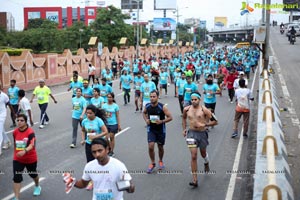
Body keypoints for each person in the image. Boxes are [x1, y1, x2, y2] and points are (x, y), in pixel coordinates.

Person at [64, 138, 135, 199]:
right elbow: (83, 183)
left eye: (100, 150)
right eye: (94, 152)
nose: (97, 154)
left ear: (107, 149)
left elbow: (131, 189)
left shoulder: (119, 166)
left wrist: (127, 186)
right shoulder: (89, 166)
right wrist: (72, 181)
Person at [182, 92, 218, 187]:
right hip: (191, 134)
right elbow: (184, 119)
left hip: (202, 134)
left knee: (203, 153)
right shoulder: (186, 109)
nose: (193, 101)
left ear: (199, 100)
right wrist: (184, 129)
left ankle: (206, 162)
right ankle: (195, 180)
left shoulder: (204, 110)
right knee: (193, 156)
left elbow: (215, 121)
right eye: (192, 99)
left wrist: (204, 125)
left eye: (195, 99)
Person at [12, 114, 41, 200]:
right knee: (17, 177)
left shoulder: (30, 132)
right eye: (18, 120)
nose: (19, 122)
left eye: (21, 120)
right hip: (18, 158)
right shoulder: (15, 132)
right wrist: (16, 153)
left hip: (30, 158)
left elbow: (32, 145)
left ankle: (37, 186)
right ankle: (16, 197)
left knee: (32, 174)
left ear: (25, 121)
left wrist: (24, 151)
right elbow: (15, 144)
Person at [142, 90, 173, 173]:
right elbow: (144, 113)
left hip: (160, 130)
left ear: (157, 97)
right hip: (151, 129)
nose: (152, 98)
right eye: (151, 96)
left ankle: (160, 160)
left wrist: (162, 121)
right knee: (151, 146)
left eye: (154, 96)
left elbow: (170, 117)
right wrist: (146, 120)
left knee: (160, 147)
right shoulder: (147, 106)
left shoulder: (162, 107)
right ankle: (152, 163)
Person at [80, 105, 108, 190]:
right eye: (87, 113)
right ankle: (92, 181)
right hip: (89, 144)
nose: (88, 115)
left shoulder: (98, 121)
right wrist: (83, 140)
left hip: (98, 145)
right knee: (89, 163)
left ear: (94, 113)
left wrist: (96, 137)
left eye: (90, 113)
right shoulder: (84, 121)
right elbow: (83, 131)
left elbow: (105, 131)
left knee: (99, 161)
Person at [0, 86, 13, 153]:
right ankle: (7, 141)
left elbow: (9, 104)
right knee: (1, 129)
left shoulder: (4, 96)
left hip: (2, 114)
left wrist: (14, 113)